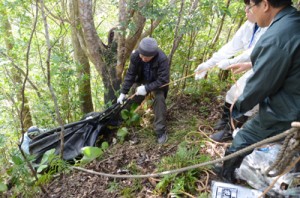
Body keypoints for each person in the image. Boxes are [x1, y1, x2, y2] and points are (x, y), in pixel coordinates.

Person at [217, 0, 300, 183]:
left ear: (265, 5)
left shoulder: (277, 35)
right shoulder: (293, 21)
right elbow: (287, 60)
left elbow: (262, 83)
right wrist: (250, 64)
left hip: (291, 107)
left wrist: (238, 109)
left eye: (251, 7)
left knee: (246, 136)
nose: (250, 11)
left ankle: (226, 175)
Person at [194, 0, 268, 142]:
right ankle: (225, 120)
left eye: (250, 7)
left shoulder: (270, 27)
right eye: (246, 7)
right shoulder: (248, 26)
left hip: (268, 68)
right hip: (253, 65)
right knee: (232, 93)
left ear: (263, 7)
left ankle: (230, 130)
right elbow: (230, 47)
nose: (246, 10)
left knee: (245, 97)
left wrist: (232, 62)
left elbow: (254, 52)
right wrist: (208, 64)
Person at [117, 37, 170, 144]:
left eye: (146, 57)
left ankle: (160, 131)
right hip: (141, 80)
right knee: (132, 98)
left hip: (157, 84)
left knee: (159, 99)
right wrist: (123, 92)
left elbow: (163, 80)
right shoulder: (136, 55)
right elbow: (131, 74)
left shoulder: (162, 59)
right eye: (141, 55)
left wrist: (147, 88)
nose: (143, 58)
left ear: (153, 55)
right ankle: (120, 119)